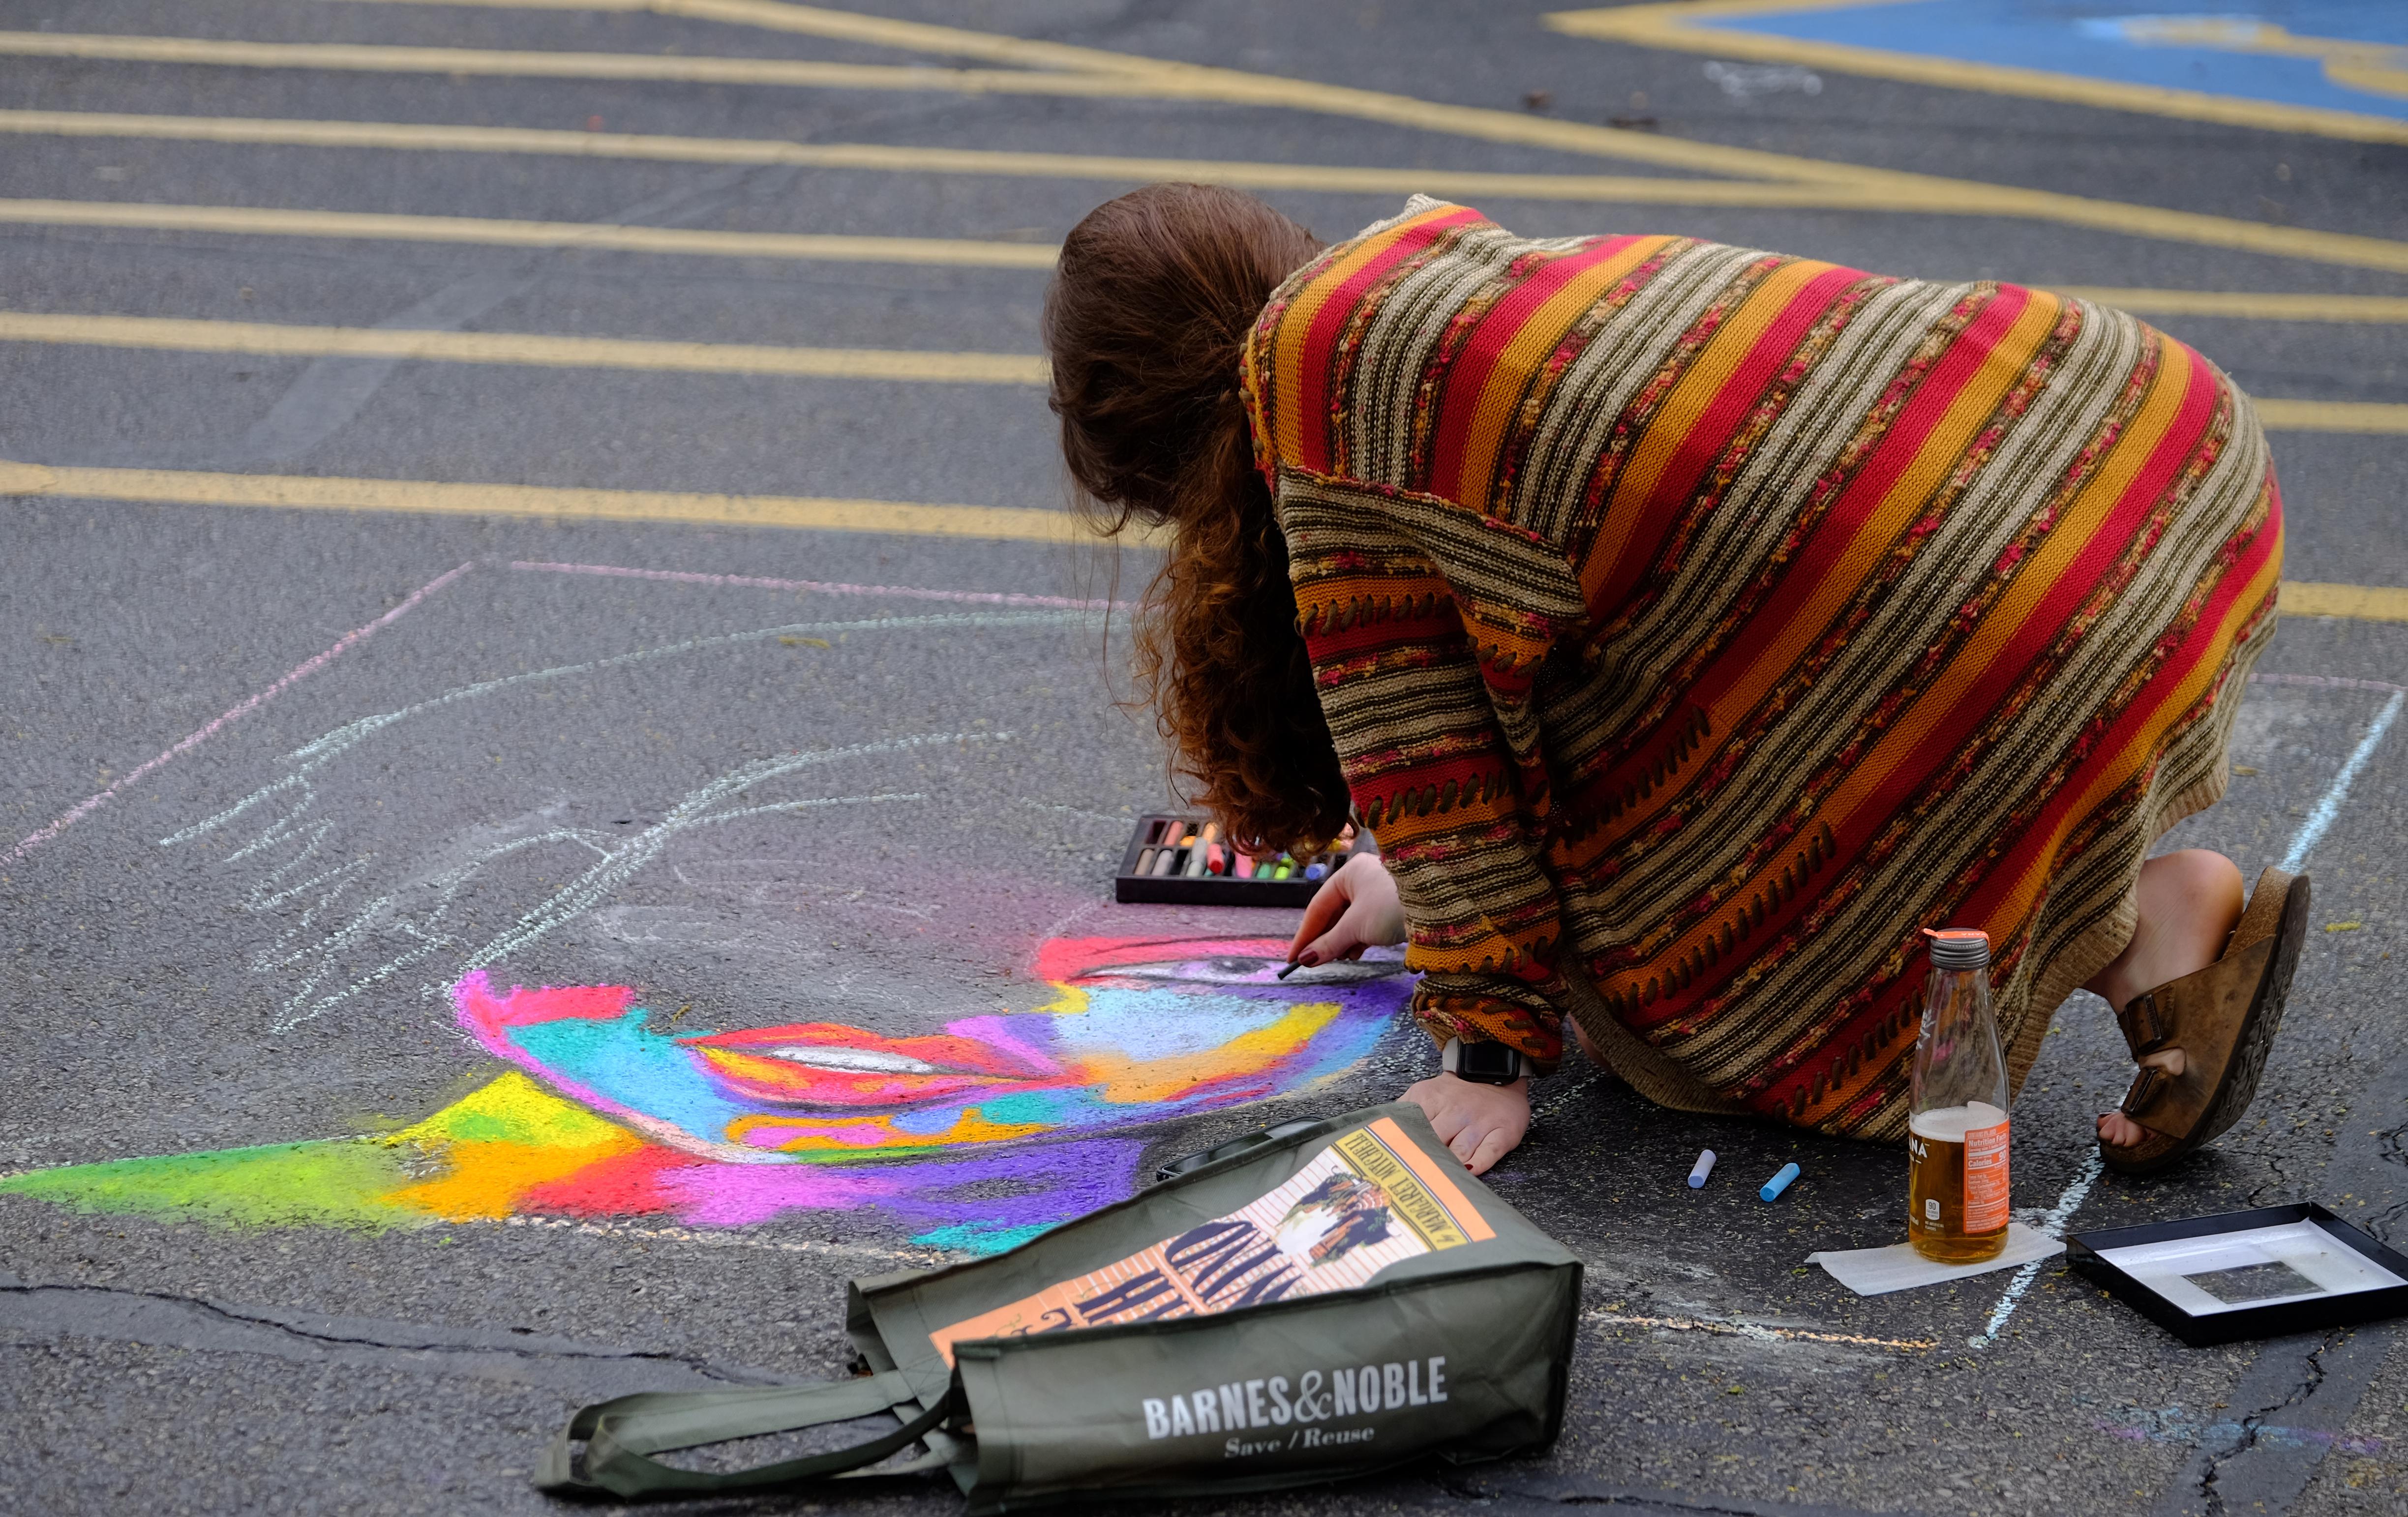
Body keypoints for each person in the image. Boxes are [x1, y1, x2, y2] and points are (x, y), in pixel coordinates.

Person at [1044, 182, 2309, 1177]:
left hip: (2013, 646)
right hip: (2160, 466)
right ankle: (2146, 945)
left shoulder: (1327, 421)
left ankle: (2128, 928)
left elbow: (1439, 769)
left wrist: (1486, 1044)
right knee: (1667, 684)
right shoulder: (1434, 273)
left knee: (1662, 983)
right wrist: (1403, 888)